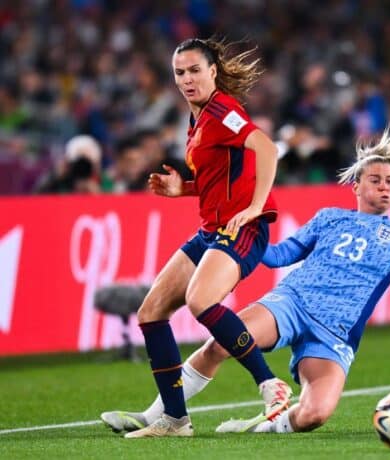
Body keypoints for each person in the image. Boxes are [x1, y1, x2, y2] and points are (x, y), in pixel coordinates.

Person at [100, 130, 390, 435]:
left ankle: (266, 427)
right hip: (290, 304)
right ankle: (159, 414)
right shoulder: (329, 218)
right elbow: (282, 254)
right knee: (220, 345)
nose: (385, 187)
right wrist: (243, 242)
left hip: (335, 334)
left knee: (315, 415)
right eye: (376, 180)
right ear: (356, 186)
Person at [104, 37, 292, 438]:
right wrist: (183, 190)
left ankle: (269, 384)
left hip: (242, 230)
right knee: (151, 311)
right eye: (179, 73)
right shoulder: (199, 119)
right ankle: (175, 419)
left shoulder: (223, 110)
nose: (187, 79)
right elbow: (220, 178)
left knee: (200, 300)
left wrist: (257, 206)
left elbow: (267, 149)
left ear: (212, 71)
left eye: (194, 71)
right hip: (211, 230)